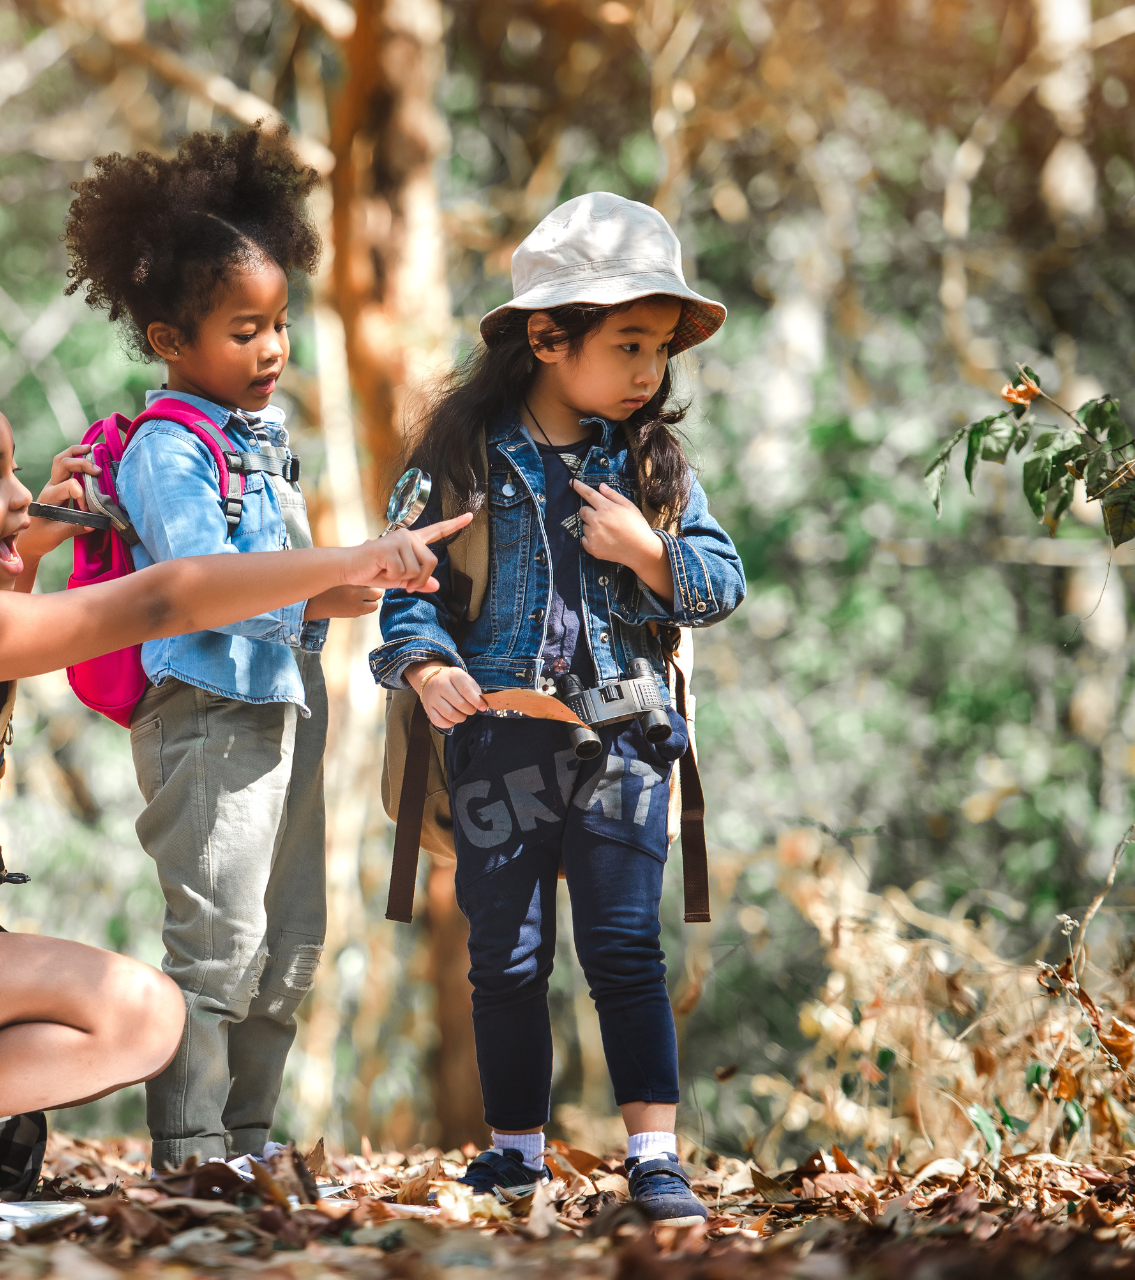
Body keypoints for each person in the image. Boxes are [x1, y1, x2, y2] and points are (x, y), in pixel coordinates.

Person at [0, 254, 467, 1214]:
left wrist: (41, 523)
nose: (22, 494)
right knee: (147, 1013)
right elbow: (167, 595)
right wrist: (349, 560)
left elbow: (0, 585)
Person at [369, 193, 746, 1225]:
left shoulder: (655, 466)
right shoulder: (459, 463)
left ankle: (655, 1153)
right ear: (546, 336)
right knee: (509, 956)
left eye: (660, 348)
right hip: (498, 739)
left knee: (625, 945)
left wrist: (651, 552)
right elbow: (404, 599)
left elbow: (722, 579)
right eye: (627, 343)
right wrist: (426, 669)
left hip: (628, 738)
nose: (647, 372)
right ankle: (515, 1153)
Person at [62, 124, 368, 1171]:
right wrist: (336, 560)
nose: (272, 349)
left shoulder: (266, 446)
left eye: (280, 323)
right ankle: (192, 1156)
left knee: (288, 948)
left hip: (285, 703)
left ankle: (250, 1144)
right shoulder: (167, 447)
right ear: (168, 339)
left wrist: (378, 577)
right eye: (245, 329)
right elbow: (199, 583)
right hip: (205, 712)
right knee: (217, 944)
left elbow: (288, 587)